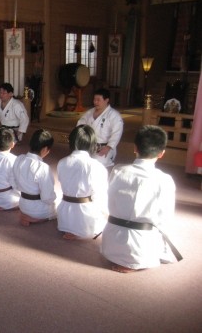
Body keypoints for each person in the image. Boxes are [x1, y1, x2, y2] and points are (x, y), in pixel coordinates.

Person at [101, 125, 180, 273]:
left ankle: (123, 254)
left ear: (135, 148)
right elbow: (165, 219)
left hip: (110, 244)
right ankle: (134, 259)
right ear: (162, 153)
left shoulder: (118, 170)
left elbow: (109, 201)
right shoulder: (164, 180)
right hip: (141, 248)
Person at [56, 125, 108, 240]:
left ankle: (70, 228)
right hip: (85, 216)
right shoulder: (97, 167)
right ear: (92, 144)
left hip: (64, 215)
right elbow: (100, 198)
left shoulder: (61, 162)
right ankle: (80, 230)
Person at [12, 129, 57, 225]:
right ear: (45, 149)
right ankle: (37, 219)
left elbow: (13, 183)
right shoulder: (43, 167)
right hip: (39, 210)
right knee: (58, 210)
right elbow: (47, 198)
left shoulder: (19, 159)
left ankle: (27, 215)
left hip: (23, 204)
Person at [76, 88, 123, 167]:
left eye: (98, 100)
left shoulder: (114, 115)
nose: (95, 102)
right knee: (78, 162)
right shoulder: (89, 112)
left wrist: (108, 147)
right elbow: (80, 125)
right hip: (89, 146)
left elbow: (117, 133)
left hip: (104, 147)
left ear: (106, 100)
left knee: (97, 164)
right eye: (94, 99)